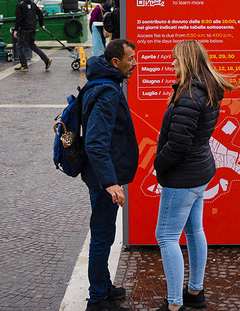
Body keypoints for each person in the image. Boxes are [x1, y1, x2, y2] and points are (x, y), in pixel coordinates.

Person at [153, 40, 232, 311]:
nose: (172, 63)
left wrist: (158, 164)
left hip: (182, 177)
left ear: (186, 61)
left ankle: (175, 304)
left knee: (166, 236)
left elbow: (178, 144)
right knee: (194, 230)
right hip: (200, 172)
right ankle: (195, 292)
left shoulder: (188, 96)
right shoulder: (206, 89)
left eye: (175, 59)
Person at [81, 39, 138, 311]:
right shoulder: (108, 92)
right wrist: (110, 182)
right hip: (103, 177)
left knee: (103, 232)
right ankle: (97, 300)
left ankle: (103, 285)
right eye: (130, 59)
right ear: (116, 62)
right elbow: (95, 142)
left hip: (100, 174)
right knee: (102, 236)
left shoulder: (103, 81)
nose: (134, 63)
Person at [13, 0, 51, 71]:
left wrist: (16, 30)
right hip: (33, 28)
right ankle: (46, 59)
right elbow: (40, 13)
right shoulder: (33, 3)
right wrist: (41, 24)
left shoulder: (19, 4)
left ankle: (24, 65)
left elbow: (18, 19)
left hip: (24, 28)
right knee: (32, 44)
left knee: (19, 46)